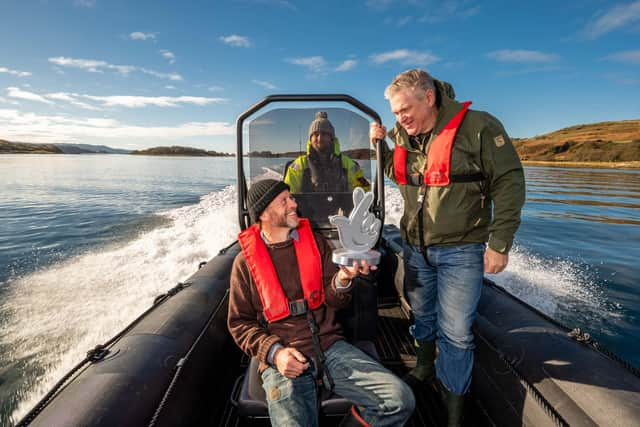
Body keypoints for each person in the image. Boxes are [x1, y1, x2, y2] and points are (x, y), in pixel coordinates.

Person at [370, 69, 525, 426]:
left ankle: (453, 412)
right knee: (422, 317)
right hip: (414, 247)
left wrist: (500, 243)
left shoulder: (479, 127)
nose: (400, 118)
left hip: (461, 250)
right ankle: (424, 368)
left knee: (456, 333)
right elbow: (399, 176)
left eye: (405, 109)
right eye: (395, 113)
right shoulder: (402, 136)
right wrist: (380, 147)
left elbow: (509, 181)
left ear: (429, 97)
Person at [227, 179, 414, 427]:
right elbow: (240, 324)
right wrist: (275, 353)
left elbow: (334, 300)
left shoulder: (315, 243)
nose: (294, 204)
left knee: (399, 400)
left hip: (330, 347)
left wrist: (344, 278)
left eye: (291, 197)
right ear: (263, 213)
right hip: (284, 356)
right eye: (284, 201)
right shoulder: (244, 264)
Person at [284, 111, 370, 193]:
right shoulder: (299, 165)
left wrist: (360, 193)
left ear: (331, 138)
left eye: (324, 134)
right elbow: (287, 194)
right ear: (310, 139)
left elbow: (364, 187)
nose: (320, 138)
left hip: (341, 208)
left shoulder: (347, 164)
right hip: (305, 208)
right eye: (316, 134)